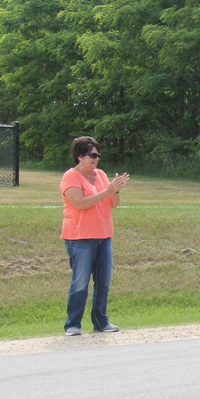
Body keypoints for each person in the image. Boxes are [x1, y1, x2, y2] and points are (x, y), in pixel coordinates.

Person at [60, 136, 130, 336]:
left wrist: (114, 191)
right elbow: (80, 203)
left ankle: (101, 321)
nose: (96, 158)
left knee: (103, 281)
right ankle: (72, 324)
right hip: (80, 238)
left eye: (98, 155)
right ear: (80, 156)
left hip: (103, 236)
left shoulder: (100, 175)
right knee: (80, 281)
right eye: (92, 154)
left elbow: (114, 204)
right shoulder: (70, 177)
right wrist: (108, 190)